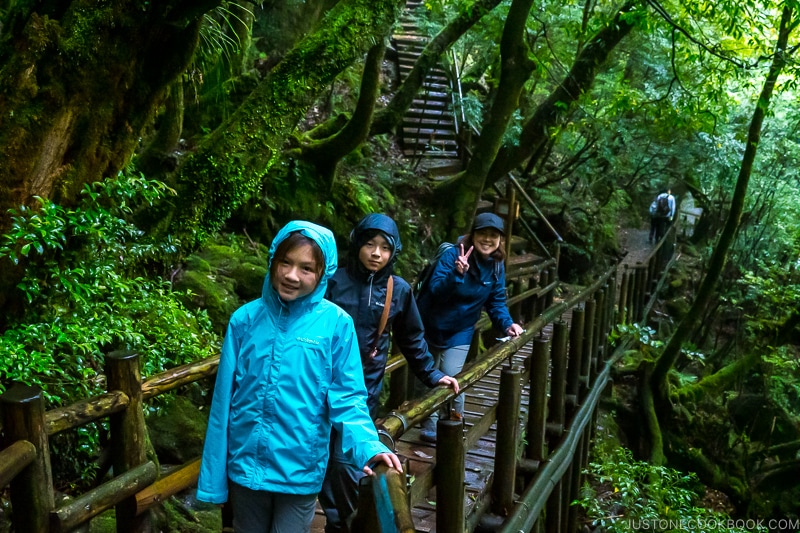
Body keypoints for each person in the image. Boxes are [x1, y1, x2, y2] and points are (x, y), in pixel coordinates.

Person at [196, 220, 402, 533]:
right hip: (245, 466)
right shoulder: (244, 320)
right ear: (272, 262)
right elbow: (223, 401)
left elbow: (347, 398)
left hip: (299, 470)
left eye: (306, 268)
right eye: (285, 263)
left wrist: (368, 446)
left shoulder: (336, 324)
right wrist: (213, 480)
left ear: (323, 273)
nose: (292, 276)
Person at [319, 213, 459, 533]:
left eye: (384, 247)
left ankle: (339, 524)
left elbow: (411, 338)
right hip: (318, 386)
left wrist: (433, 375)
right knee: (317, 457)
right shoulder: (333, 282)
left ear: (393, 253)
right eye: (370, 244)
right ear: (357, 244)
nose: (376, 253)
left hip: (362, 393)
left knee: (344, 463)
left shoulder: (398, 290)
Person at [415, 212, 524, 442]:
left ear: (500, 240)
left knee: (453, 375)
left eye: (493, 235)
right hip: (429, 325)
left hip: (460, 330)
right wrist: (457, 273)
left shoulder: (496, 265)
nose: (487, 239)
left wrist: (508, 325)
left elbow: (495, 302)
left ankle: (454, 423)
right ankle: (430, 425)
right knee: (428, 376)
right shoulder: (452, 255)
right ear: (472, 234)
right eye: (482, 233)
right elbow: (435, 291)